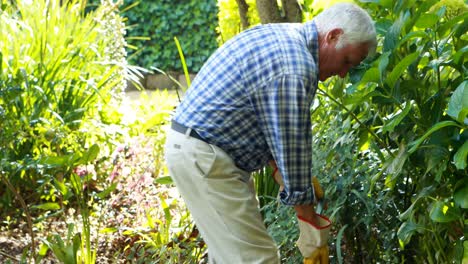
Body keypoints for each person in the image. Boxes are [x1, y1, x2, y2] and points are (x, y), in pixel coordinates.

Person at [164, 2, 376, 263]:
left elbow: (270, 127)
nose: (343, 74)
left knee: (230, 257)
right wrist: (313, 235)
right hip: (206, 158)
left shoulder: (284, 38)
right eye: (346, 61)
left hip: (199, 151)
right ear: (333, 36)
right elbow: (291, 150)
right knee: (258, 259)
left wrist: (287, 176)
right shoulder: (296, 68)